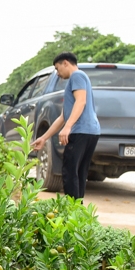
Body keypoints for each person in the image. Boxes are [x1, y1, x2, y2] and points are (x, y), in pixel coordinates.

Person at [29, 52, 101, 199]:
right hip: (90, 131)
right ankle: (78, 213)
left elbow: (81, 102)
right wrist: (44, 138)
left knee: (69, 172)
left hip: (80, 131)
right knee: (79, 173)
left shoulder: (77, 76)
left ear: (65, 63)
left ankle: (72, 211)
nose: (57, 73)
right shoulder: (78, 79)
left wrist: (68, 127)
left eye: (57, 68)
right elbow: (62, 117)